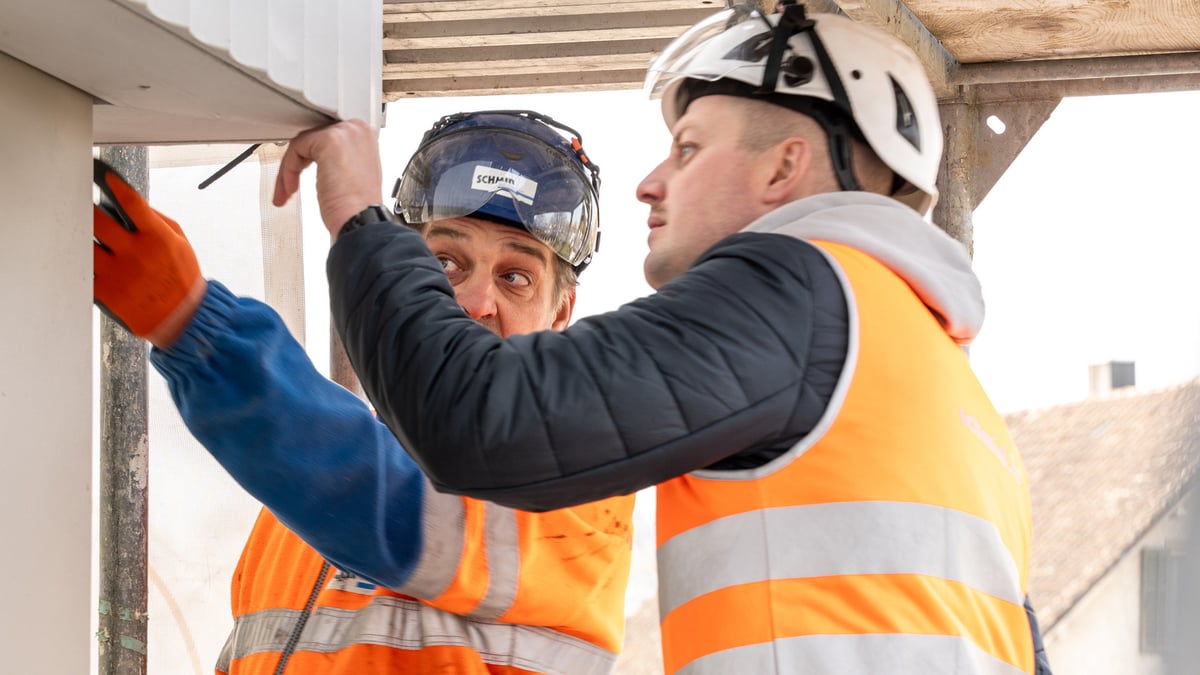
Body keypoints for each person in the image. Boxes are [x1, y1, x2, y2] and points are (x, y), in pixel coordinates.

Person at [274, 3, 1054, 674]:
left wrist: (358, 215)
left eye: (687, 148)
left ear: (785, 168)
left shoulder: (798, 289)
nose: (652, 180)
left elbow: (480, 417)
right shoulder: (949, 386)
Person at [92, 110, 635, 675]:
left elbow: (391, 508)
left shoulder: (574, 482)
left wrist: (194, 323)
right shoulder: (294, 497)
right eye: (446, 262)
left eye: (515, 277)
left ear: (560, 313)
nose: (475, 302)